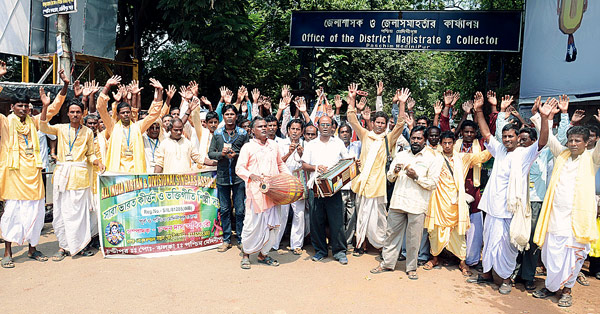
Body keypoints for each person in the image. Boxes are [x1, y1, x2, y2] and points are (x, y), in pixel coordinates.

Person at [466, 92, 550, 295]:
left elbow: (543, 142)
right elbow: (486, 134)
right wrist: (478, 110)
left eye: (510, 136)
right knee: (489, 241)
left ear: (517, 138)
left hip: (510, 210)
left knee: (507, 247)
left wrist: (545, 118)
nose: (507, 139)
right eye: (504, 137)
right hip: (493, 208)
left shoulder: (524, 153)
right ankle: (487, 273)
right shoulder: (500, 151)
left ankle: (506, 279)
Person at [0, 70, 68, 268]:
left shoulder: (35, 122)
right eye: (19, 106)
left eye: (26, 106)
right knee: (12, 214)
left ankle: (32, 249)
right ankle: (8, 252)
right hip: (13, 177)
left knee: (36, 214)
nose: (23, 109)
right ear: (12, 107)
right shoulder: (5, 122)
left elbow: (54, 109)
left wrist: (63, 87)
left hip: (34, 175)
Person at [531, 121, 600, 307]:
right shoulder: (562, 155)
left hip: (577, 221)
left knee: (572, 257)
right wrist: (542, 118)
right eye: (570, 140)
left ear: (587, 143)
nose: (573, 144)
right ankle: (551, 286)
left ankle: (567, 290)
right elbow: (550, 139)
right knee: (551, 254)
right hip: (555, 217)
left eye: (578, 140)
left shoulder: (592, 158)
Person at [511, 95, 569, 290]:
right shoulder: (516, 154)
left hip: (536, 202)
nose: (521, 143)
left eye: (525, 141)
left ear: (535, 141)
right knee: (516, 237)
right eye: (520, 140)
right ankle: (513, 271)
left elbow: (555, 139)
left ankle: (527, 276)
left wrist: (551, 117)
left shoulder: (543, 153)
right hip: (518, 201)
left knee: (532, 240)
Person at [370, 126, 443, 280]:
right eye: (413, 138)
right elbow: (390, 177)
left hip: (417, 205)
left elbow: (433, 184)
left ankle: (411, 268)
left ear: (425, 140)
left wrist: (416, 177)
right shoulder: (401, 155)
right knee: (391, 234)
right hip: (398, 201)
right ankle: (387, 264)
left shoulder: (433, 158)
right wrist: (395, 171)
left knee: (413, 238)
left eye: (419, 138)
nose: (415, 141)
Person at [39, 99, 105, 260]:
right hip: (62, 177)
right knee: (61, 213)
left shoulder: (88, 132)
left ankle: (79, 245)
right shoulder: (60, 129)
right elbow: (42, 126)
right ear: (68, 113)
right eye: (72, 112)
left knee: (79, 214)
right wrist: (46, 106)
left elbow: (90, 154)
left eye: (78, 112)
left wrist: (98, 162)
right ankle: (63, 246)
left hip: (80, 178)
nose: (75, 115)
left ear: (82, 113)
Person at [346, 84, 408, 255]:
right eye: (377, 122)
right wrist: (352, 98)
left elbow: (400, 124)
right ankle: (361, 244)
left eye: (383, 123)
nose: (380, 125)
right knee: (362, 215)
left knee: (380, 217)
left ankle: (382, 246)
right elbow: (351, 119)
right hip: (363, 183)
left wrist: (402, 103)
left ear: (386, 125)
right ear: (372, 123)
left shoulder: (388, 139)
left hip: (379, 184)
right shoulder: (365, 135)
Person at [423, 131, 491, 275]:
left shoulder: (463, 158)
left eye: (450, 143)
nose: (447, 146)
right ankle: (434, 258)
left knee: (458, 234)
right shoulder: (434, 157)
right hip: (439, 202)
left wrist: (494, 141)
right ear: (441, 144)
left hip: (456, 204)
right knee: (435, 231)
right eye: (444, 143)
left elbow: (482, 156)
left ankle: (462, 262)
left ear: (454, 143)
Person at [236, 117, 290, 269]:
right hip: (256, 193)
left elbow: (280, 164)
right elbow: (239, 168)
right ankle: (246, 254)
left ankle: (263, 254)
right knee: (252, 225)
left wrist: (289, 179)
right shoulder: (247, 147)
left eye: (265, 126)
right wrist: (251, 176)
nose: (264, 128)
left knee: (272, 226)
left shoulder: (274, 145)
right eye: (260, 126)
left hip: (274, 191)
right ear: (252, 130)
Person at [302, 115, 352, 265]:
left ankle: (339, 251)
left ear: (332, 127)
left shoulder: (338, 143)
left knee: (336, 220)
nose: (325, 127)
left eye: (327, 124)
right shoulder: (311, 144)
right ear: (317, 126)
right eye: (322, 124)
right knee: (316, 220)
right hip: (315, 186)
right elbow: (304, 165)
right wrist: (316, 168)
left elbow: (347, 161)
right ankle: (320, 251)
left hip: (334, 188)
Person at [96, 76, 164, 173]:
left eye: (128, 112)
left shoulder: (138, 127)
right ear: (118, 114)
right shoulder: (113, 126)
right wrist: (107, 86)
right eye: (123, 113)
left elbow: (154, 114)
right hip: (117, 171)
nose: (126, 115)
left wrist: (160, 91)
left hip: (135, 171)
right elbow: (100, 107)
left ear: (131, 113)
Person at [208, 105, 249, 252]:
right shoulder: (218, 133)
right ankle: (226, 239)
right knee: (225, 209)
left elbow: (249, 153)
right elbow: (211, 154)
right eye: (227, 114)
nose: (230, 116)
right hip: (223, 177)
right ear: (223, 116)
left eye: (232, 114)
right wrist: (222, 155)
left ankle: (241, 239)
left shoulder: (243, 133)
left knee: (240, 210)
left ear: (236, 116)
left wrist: (236, 155)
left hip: (239, 177)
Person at [272, 119, 306, 254]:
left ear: (302, 131)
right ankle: (274, 243)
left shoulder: (306, 144)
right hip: (284, 182)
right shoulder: (280, 144)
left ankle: (296, 245)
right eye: (293, 129)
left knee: (299, 214)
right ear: (288, 130)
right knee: (282, 213)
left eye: (298, 129)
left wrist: (302, 154)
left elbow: (307, 164)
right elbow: (277, 163)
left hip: (299, 182)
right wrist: (289, 152)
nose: (295, 132)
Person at [338, 123, 362, 251]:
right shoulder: (335, 147)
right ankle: (339, 243)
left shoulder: (357, 145)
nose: (345, 134)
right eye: (342, 132)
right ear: (338, 134)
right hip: (339, 189)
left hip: (353, 187)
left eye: (347, 131)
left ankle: (348, 243)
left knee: (352, 217)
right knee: (339, 218)